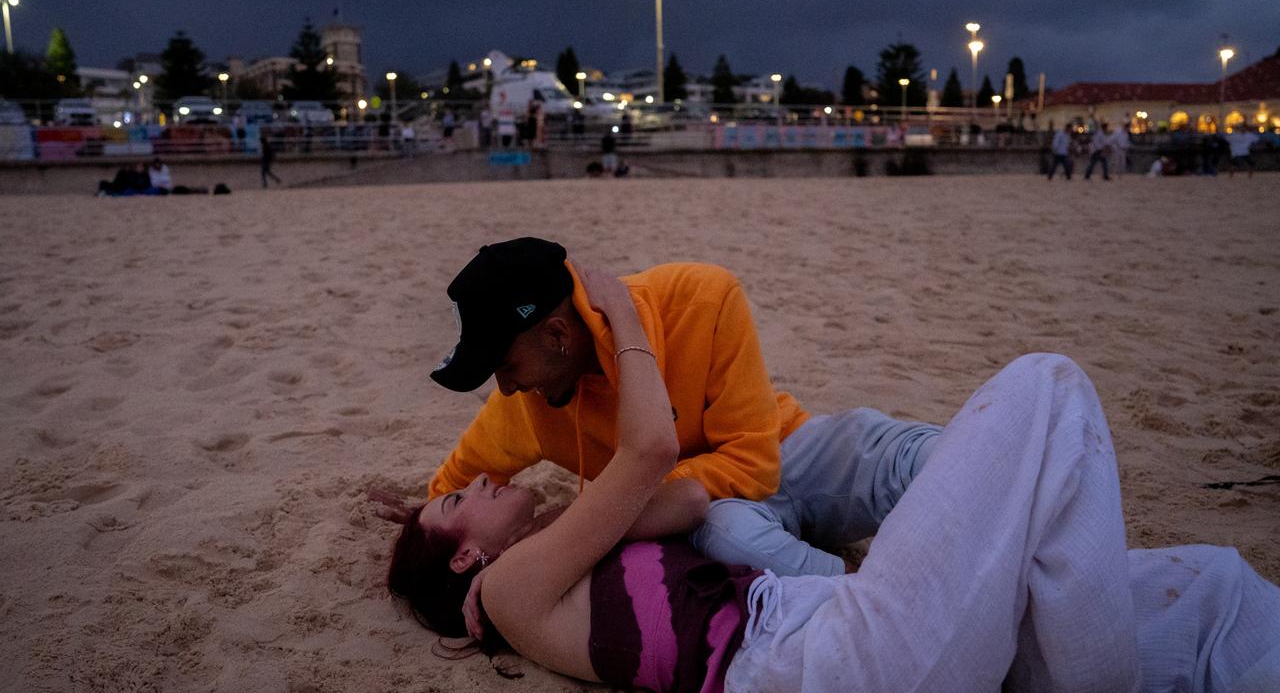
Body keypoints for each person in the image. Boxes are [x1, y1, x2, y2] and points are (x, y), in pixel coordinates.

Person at [381, 269, 1280, 691]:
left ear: (550, 334)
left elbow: (695, 495)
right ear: (467, 563)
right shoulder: (508, 589)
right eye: (458, 508)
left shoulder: (555, 553)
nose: (474, 484)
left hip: (825, 632)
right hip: (816, 661)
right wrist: (619, 314)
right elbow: (654, 454)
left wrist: (597, 505)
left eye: (456, 492)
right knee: (1045, 388)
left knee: (1212, 590)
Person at [426, 238, 940, 580]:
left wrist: (601, 508)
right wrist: (418, 522)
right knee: (730, 536)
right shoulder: (531, 397)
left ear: (557, 335)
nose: (505, 386)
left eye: (505, 365)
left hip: (791, 450)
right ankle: (862, 592)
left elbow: (754, 463)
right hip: (718, 514)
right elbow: (454, 488)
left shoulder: (700, 297)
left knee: (920, 455)